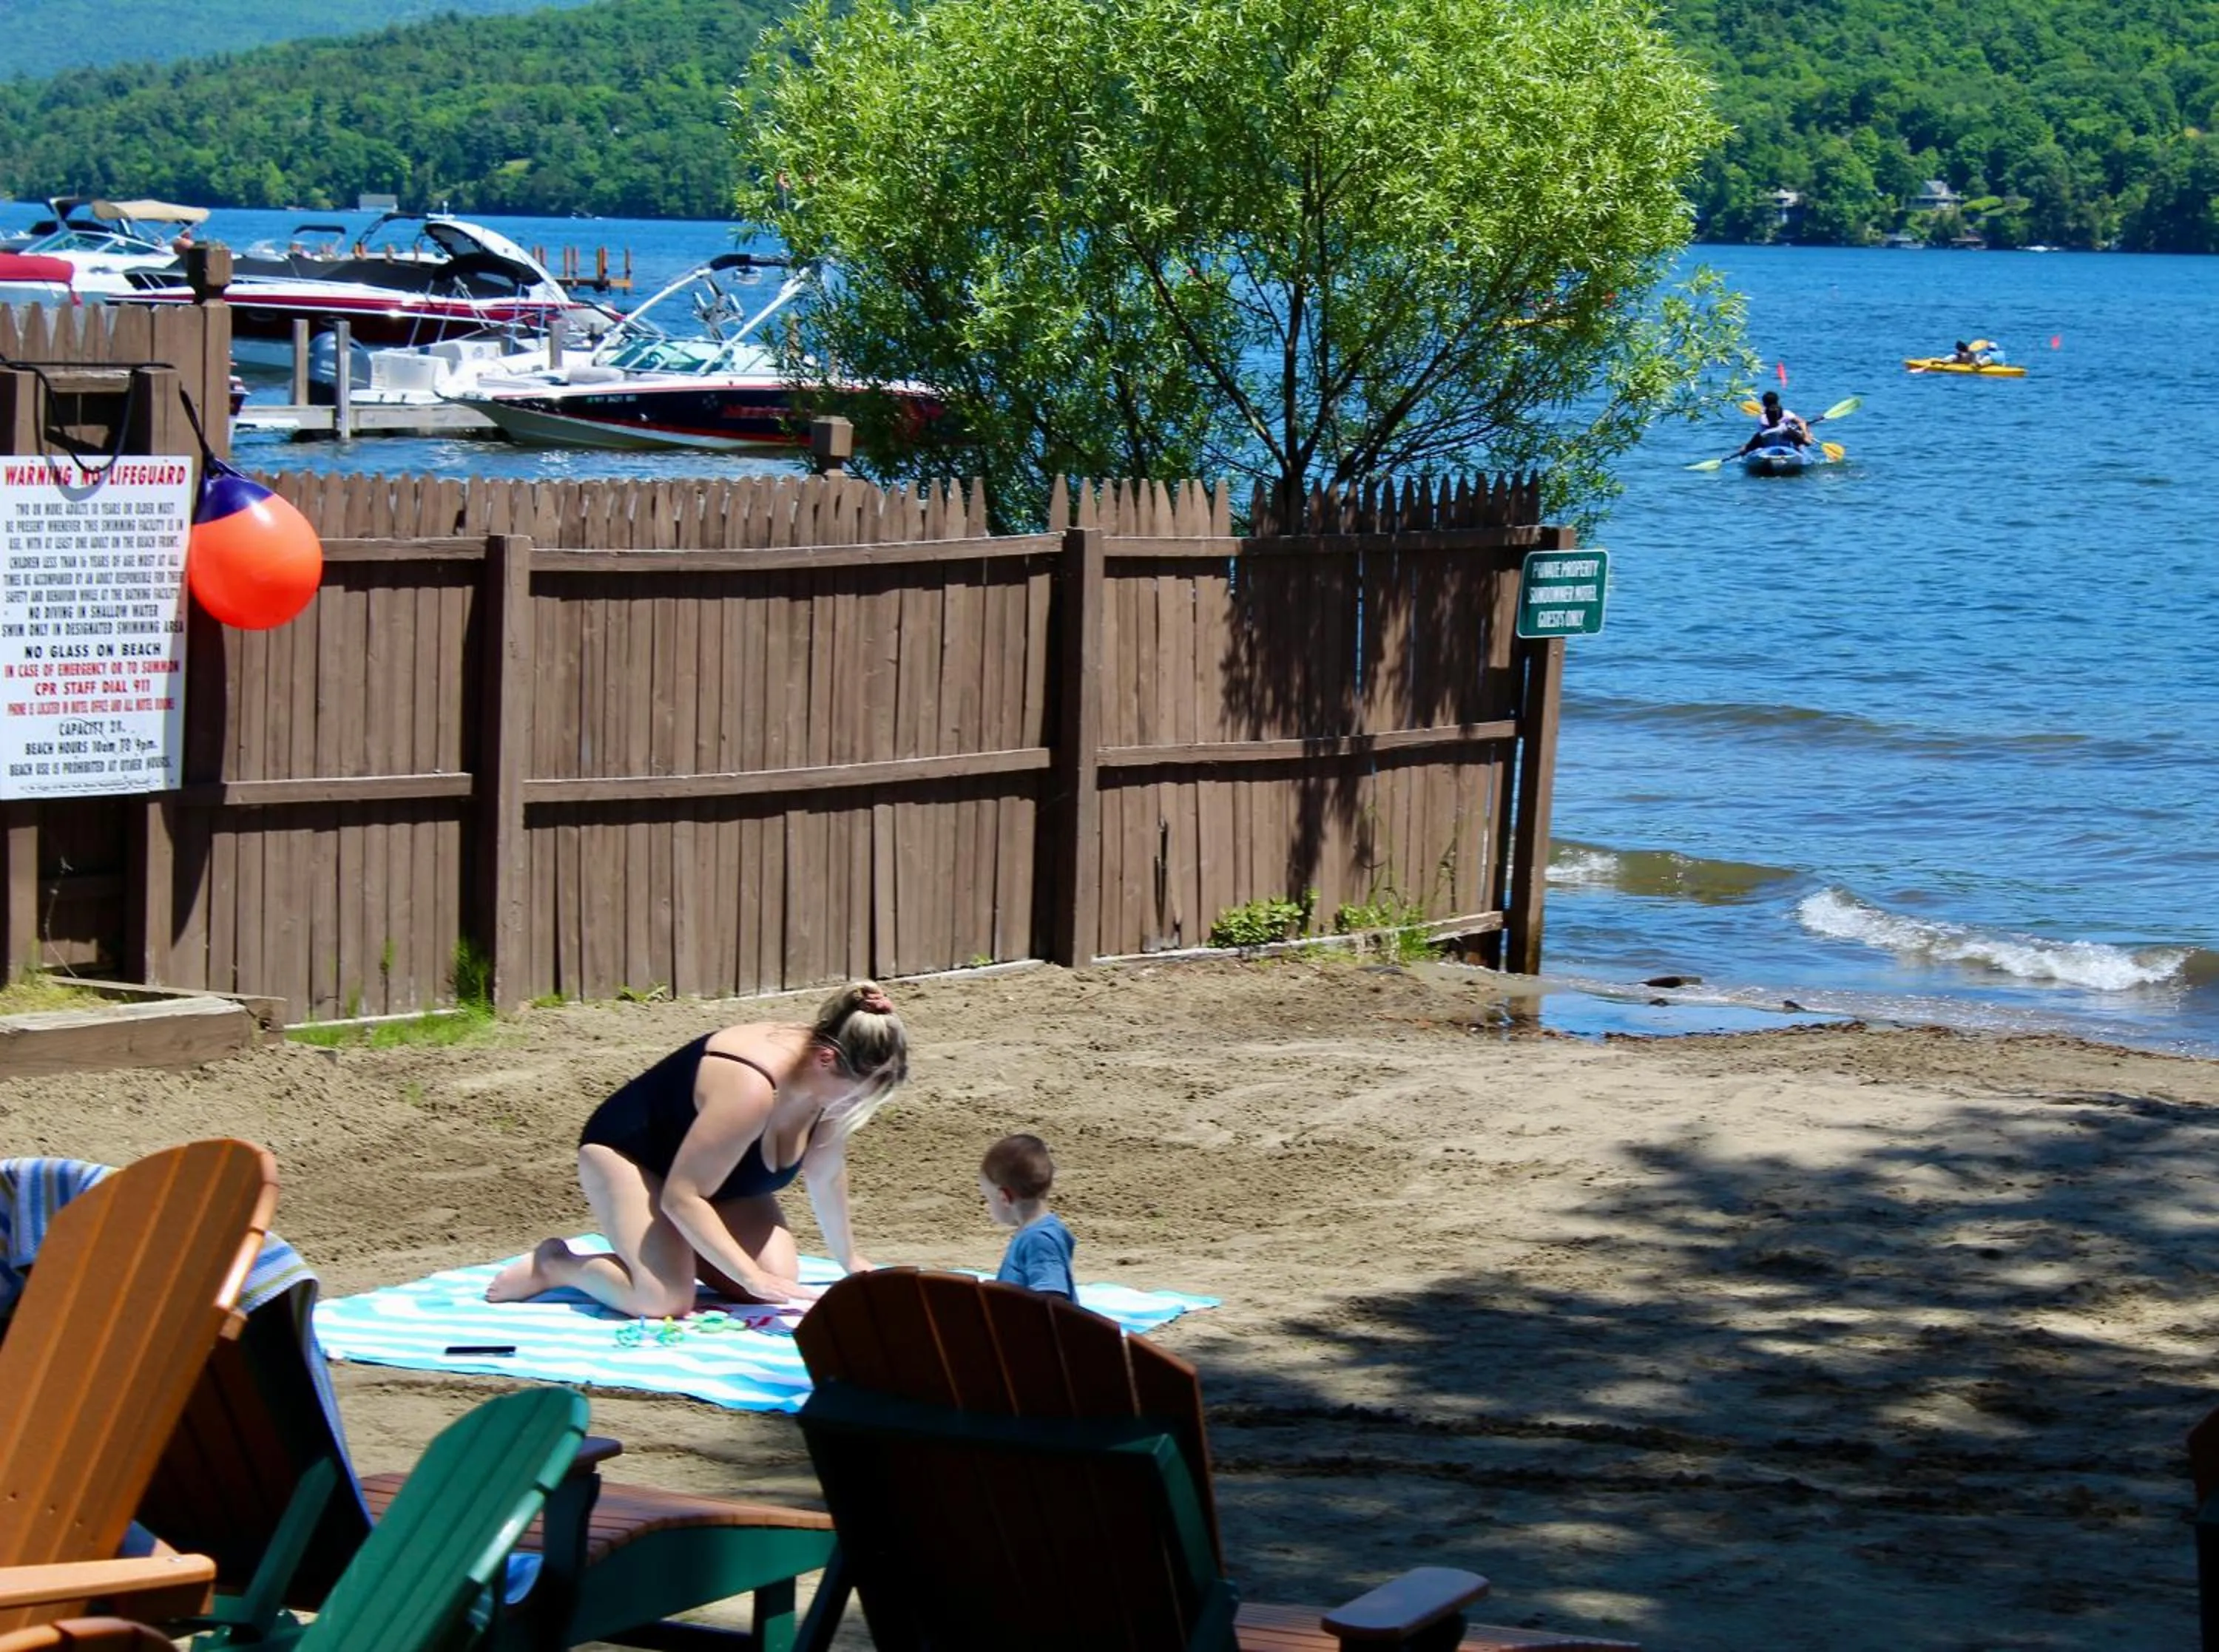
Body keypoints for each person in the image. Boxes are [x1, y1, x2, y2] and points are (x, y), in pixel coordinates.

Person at [487, 980, 909, 1315]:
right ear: (825, 1061)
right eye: (855, 1096)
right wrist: (746, 1275)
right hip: (635, 1156)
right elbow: (682, 1197)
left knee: (776, 1286)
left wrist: (850, 1260)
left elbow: (826, 1174)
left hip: (716, 1177)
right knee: (663, 1299)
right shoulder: (751, 1089)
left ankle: (671, 1249)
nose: (854, 1109)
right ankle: (558, 1265)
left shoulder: (832, 1085)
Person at [980, 1133, 1075, 1299]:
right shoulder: (1034, 1232)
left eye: (987, 1198)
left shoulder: (1040, 1239)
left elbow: (1053, 1301)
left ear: (1005, 1198)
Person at [1737, 390, 1810, 455]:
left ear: (1764, 403)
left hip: (1767, 440)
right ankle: (1799, 446)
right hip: (1780, 438)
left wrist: (1745, 449)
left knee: (1746, 448)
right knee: (1800, 439)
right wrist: (1806, 436)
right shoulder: (1787, 428)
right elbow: (1807, 440)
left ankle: (1799, 446)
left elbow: (1747, 448)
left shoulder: (1762, 419)